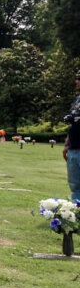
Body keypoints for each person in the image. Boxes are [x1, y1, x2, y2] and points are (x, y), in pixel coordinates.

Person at [62, 70, 80, 200]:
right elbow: (71, 124)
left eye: (79, 79)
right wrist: (67, 144)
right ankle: (76, 211)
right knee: (74, 184)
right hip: (74, 147)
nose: (76, 82)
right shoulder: (77, 101)